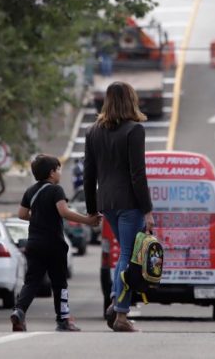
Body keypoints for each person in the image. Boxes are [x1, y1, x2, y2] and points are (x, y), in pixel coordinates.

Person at [83, 81, 153, 333]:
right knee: (126, 254)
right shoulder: (134, 131)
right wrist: (147, 209)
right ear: (130, 100)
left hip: (107, 203)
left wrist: (92, 209)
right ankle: (121, 313)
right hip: (129, 203)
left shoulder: (92, 131)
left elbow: (88, 175)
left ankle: (116, 301)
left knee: (123, 253)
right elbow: (138, 175)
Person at [10, 154, 100, 333]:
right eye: (58, 169)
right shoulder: (56, 190)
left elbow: (21, 214)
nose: (59, 173)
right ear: (52, 173)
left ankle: (19, 311)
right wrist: (88, 221)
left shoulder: (30, 191)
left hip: (34, 242)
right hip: (54, 244)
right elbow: (64, 212)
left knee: (32, 281)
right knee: (59, 283)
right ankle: (63, 320)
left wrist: (37, 218)